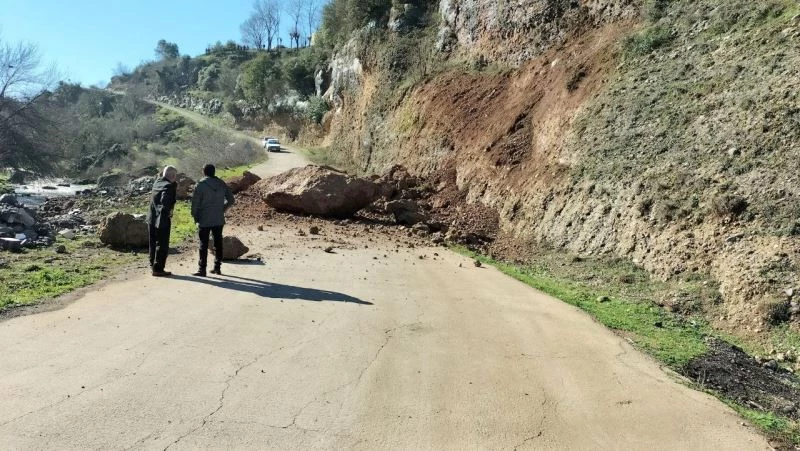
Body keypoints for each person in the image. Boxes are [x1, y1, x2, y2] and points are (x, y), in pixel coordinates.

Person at [191, 164, 235, 277]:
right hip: (218, 218)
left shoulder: (200, 185)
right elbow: (231, 199)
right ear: (214, 172)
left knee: (203, 244)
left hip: (204, 218)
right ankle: (217, 267)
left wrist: (195, 216)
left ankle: (202, 269)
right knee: (218, 242)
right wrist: (223, 209)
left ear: (204, 172)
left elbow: (195, 204)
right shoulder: (221, 183)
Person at [146, 166, 178, 277]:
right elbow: (165, 200)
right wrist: (167, 210)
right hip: (162, 218)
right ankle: (158, 269)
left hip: (151, 218)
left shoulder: (157, 182)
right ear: (173, 176)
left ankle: (152, 265)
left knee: (153, 243)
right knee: (162, 244)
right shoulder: (169, 187)